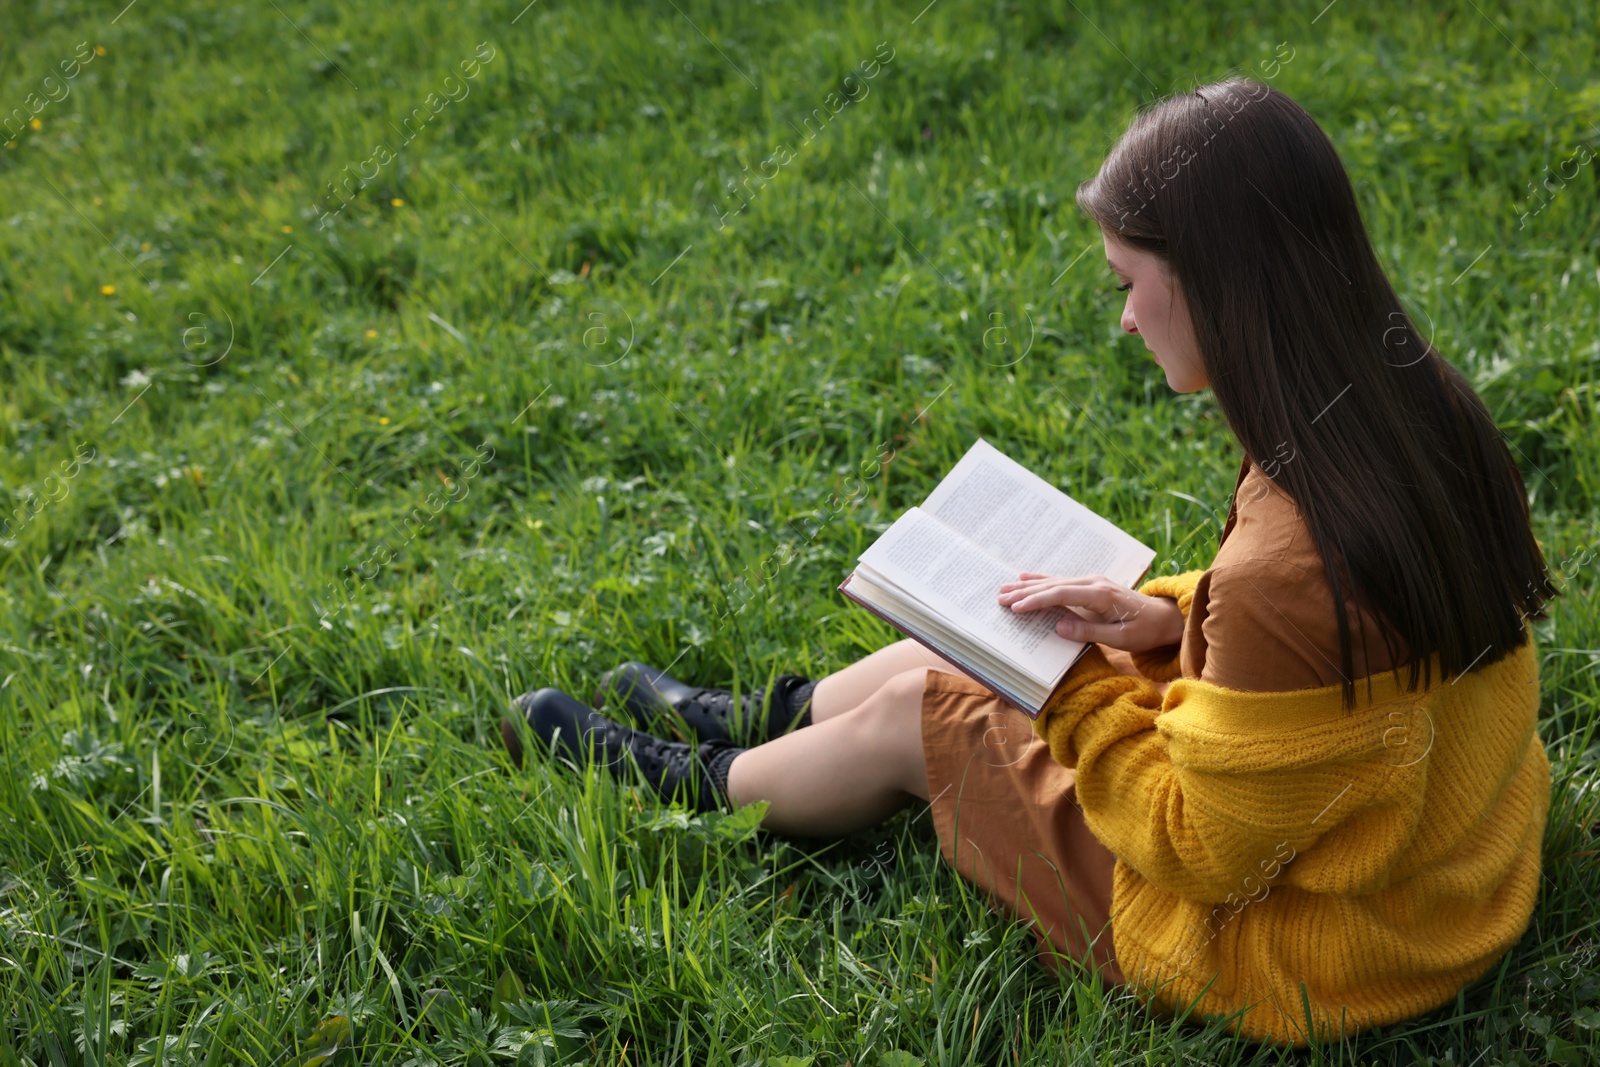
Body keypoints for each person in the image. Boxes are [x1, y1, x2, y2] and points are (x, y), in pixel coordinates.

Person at [501, 77, 1558, 1048]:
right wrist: (1165, 617)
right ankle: (766, 718)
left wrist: (1067, 687)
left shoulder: (1286, 562)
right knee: (1003, 648)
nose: (1125, 316)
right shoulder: (1414, 406)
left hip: (1307, 944)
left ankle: (707, 782)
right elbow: (1343, 643)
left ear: (1214, 284)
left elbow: (1200, 850)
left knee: (938, 708)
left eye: (1132, 283)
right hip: (1430, 866)